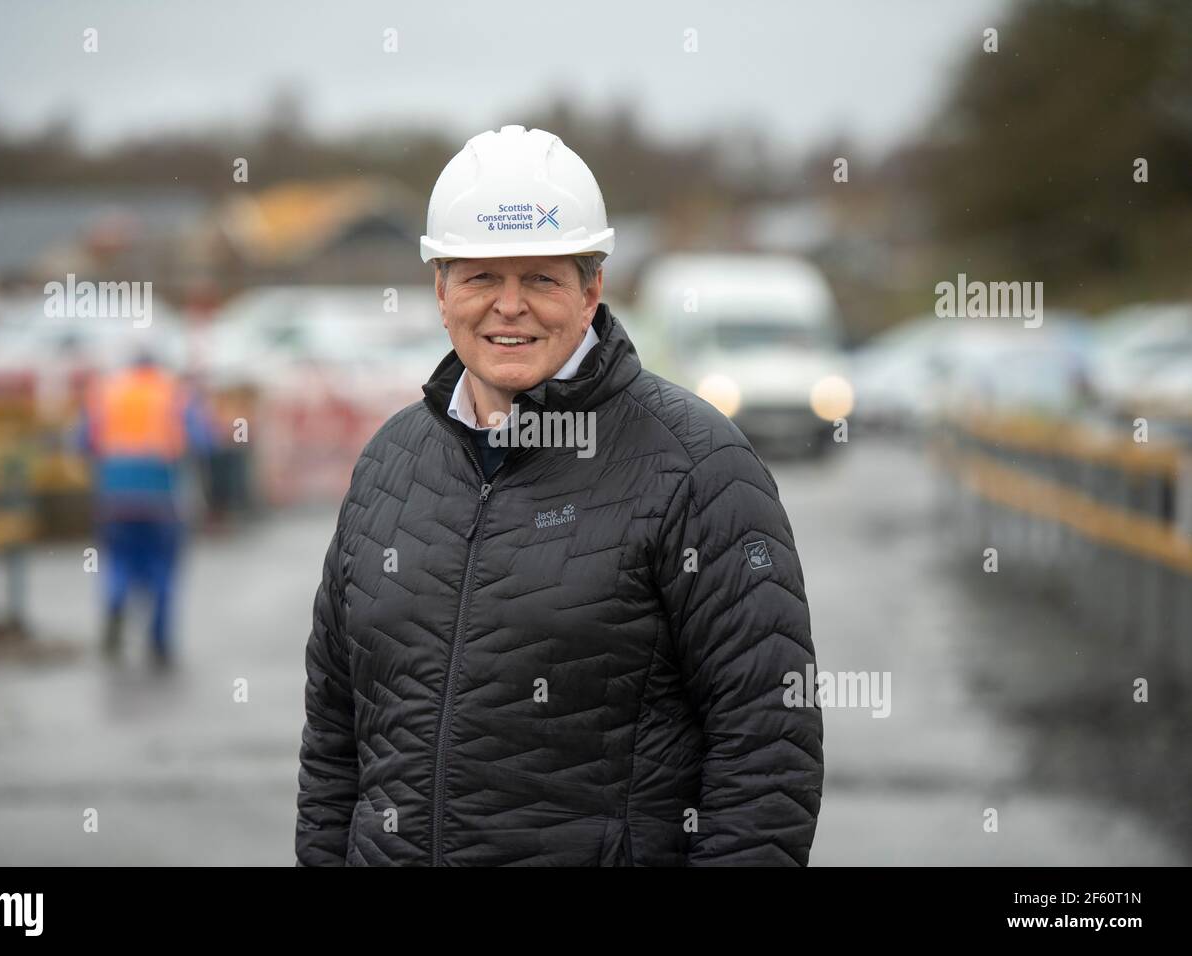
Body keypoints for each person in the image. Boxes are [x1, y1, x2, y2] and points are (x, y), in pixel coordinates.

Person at [296, 125, 824, 866]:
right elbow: (333, 735)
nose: (508, 307)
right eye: (481, 277)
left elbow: (768, 749)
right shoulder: (390, 461)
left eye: (540, 278)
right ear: (441, 290)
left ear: (591, 290)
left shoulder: (696, 465)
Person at [78, 351, 213, 667]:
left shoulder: (108, 391)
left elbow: (82, 441)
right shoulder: (175, 393)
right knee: (162, 571)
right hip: (161, 500)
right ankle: (159, 642)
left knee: (119, 563)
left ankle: (115, 603)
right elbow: (204, 440)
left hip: (114, 500)